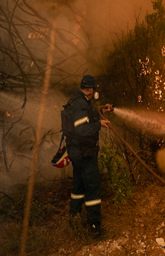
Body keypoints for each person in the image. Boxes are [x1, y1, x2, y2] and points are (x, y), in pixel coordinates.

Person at [61, 74, 112, 237]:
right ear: (90, 89)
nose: (93, 92)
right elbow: (82, 129)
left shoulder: (78, 101)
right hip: (85, 154)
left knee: (79, 187)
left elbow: (86, 118)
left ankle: (74, 219)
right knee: (93, 188)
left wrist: (102, 110)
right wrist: (99, 124)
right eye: (93, 89)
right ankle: (95, 228)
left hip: (78, 153)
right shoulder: (80, 104)